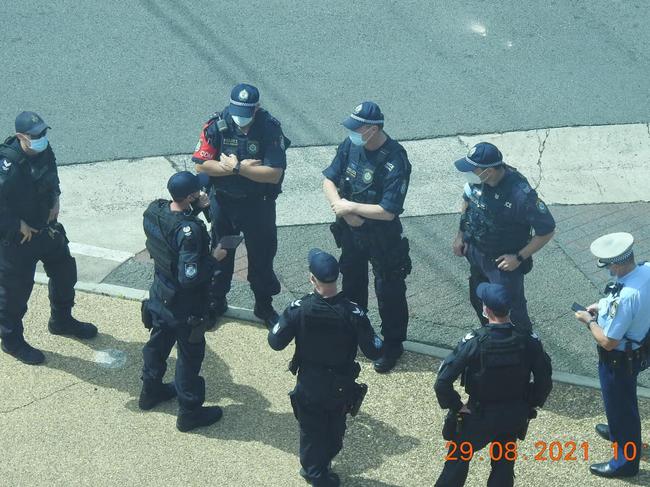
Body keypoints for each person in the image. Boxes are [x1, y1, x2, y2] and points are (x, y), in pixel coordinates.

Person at [268, 248, 384, 487]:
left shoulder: (298, 309)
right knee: (334, 429)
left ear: (312, 278)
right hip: (339, 386)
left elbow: (275, 341)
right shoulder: (353, 312)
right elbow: (374, 350)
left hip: (309, 382)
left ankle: (313, 468)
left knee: (310, 431)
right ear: (337, 278)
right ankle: (318, 475)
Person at [0, 111, 97, 365]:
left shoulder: (43, 150)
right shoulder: (7, 163)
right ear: (21, 137)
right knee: (14, 294)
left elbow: (51, 175)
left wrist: (55, 198)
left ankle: (61, 321)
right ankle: (12, 341)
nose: (42, 138)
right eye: (35, 135)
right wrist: (16, 224)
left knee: (65, 273)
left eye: (44, 133)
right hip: (18, 240)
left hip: (47, 229)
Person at [322, 101, 411, 373]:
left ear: (372, 129)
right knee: (352, 282)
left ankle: (393, 345)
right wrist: (342, 208)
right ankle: (356, 331)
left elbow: (388, 211)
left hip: (382, 237)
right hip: (351, 231)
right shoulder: (351, 146)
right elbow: (329, 180)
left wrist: (351, 207)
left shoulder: (395, 159)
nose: (352, 133)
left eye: (357, 128)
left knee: (389, 290)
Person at [434, 283, 553, 487]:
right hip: (513, 415)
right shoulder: (528, 341)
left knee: (457, 461)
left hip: (478, 415)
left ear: (486, 310)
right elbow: (544, 380)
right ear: (509, 309)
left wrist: (457, 406)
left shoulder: (474, 342)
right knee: (504, 467)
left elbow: (442, 382)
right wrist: (529, 404)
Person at [192, 83, 289, 329]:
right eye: (238, 111)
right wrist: (237, 169)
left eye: (246, 112)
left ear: (256, 109)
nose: (241, 118)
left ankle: (263, 304)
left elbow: (273, 173)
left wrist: (237, 168)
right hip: (224, 202)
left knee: (262, 256)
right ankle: (216, 302)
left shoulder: (269, 128)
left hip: (259, 206)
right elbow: (202, 165)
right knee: (221, 253)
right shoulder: (217, 125)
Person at [141, 171, 227, 432]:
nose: (202, 193)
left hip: (160, 295)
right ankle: (189, 412)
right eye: (197, 192)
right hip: (185, 305)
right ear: (190, 195)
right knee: (189, 357)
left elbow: (172, 236)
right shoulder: (190, 231)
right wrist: (215, 258)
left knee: (158, 342)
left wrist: (195, 210)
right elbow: (189, 276)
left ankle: (150, 391)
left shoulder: (154, 211)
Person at [452, 142, 555, 332]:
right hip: (476, 253)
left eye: (472, 169)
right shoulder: (478, 180)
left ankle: (523, 349)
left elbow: (547, 230)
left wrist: (518, 257)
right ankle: (491, 338)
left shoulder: (520, 195)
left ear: (489, 171)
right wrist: (460, 235)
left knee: (512, 313)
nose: (468, 173)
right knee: (479, 301)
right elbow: (467, 200)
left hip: (502, 264)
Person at [574, 232, 650, 478]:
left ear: (616, 264)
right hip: (637, 348)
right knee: (623, 404)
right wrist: (602, 307)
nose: (607, 270)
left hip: (618, 358)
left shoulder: (626, 297)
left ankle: (625, 463)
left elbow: (608, 341)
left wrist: (588, 321)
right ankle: (619, 431)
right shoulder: (646, 271)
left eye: (608, 265)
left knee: (621, 408)